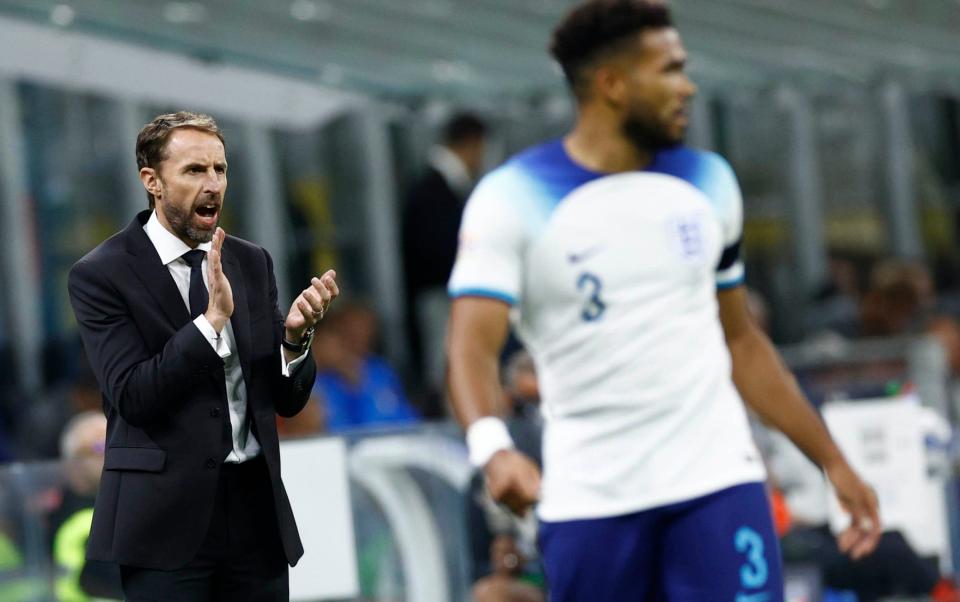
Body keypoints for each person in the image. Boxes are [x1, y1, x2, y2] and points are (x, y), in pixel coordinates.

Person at [445, 2, 881, 600]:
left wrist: (832, 460)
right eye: (671, 69)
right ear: (613, 84)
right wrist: (493, 451)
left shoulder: (708, 183)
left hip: (719, 486)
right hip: (590, 502)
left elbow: (742, 343)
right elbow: (470, 348)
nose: (688, 86)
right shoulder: (510, 199)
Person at [67, 111, 339, 601]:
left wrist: (296, 341)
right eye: (195, 170)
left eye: (220, 169)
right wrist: (208, 323)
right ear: (152, 180)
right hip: (164, 524)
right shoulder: (101, 274)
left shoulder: (250, 261)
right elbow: (133, 395)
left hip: (256, 518)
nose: (213, 183)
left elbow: (286, 401)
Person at [401, 112, 488, 413]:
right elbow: (436, 253)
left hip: (442, 298)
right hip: (442, 299)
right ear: (473, 144)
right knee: (449, 370)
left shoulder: (434, 187)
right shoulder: (435, 190)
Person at [310, 302, 419, 432]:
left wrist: (357, 378)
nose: (360, 335)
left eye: (366, 328)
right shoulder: (315, 380)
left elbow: (406, 417)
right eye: (351, 328)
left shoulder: (380, 369)